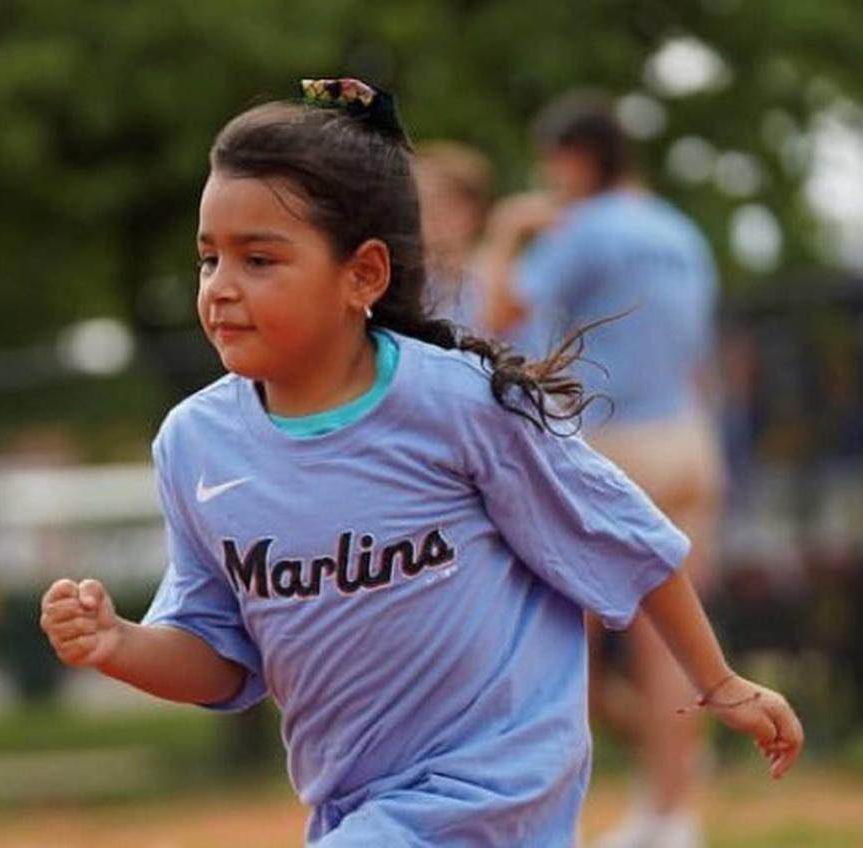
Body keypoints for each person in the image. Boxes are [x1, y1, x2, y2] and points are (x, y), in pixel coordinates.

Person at [39, 78, 801, 847]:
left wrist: (721, 682)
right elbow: (222, 661)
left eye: (260, 259)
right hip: (355, 807)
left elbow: (630, 541)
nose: (221, 289)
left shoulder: (461, 405)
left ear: (363, 275)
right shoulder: (194, 444)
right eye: (209, 259)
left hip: (493, 790)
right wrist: (120, 645)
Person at [480, 92, 726, 847]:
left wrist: (505, 231)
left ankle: (548, 817)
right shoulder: (679, 231)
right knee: (673, 645)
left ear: (575, 158)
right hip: (688, 440)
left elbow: (499, 313)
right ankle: (671, 814)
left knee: (551, 637)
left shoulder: (583, 229)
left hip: (614, 446)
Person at [413, 140, 493, 329]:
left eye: (441, 201)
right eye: (419, 201)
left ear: (475, 210)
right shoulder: (420, 283)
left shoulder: (496, 277)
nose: (430, 213)